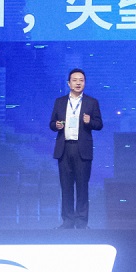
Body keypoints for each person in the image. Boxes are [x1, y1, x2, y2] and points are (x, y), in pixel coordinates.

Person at [49, 68, 103, 229]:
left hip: (82, 149)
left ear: (85, 83)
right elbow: (51, 123)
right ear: (69, 83)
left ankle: (81, 221)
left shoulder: (91, 102)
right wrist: (56, 125)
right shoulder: (59, 102)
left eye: (81, 80)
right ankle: (67, 220)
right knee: (66, 187)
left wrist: (89, 121)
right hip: (64, 148)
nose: (78, 83)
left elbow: (99, 124)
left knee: (82, 186)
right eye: (75, 80)